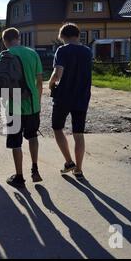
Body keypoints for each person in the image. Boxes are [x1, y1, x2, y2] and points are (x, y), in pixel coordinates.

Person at [0, 28, 43, 188]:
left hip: (13, 106)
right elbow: (39, 81)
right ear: (18, 38)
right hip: (32, 104)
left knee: (16, 142)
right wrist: (37, 100)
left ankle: (19, 176)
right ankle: (35, 168)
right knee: (32, 136)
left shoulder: (3, 55)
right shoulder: (32, 53)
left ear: (4, 41)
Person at [48, 23, 92, 181]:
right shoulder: (87, 51)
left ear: (62, 36)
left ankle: (68, 162)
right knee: (78, 133)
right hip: (82, 96)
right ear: (78, 35)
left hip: (64, 96)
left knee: (57, 128)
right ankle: (79, 170)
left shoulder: (62, 50)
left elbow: (58, 72)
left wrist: (51, 83)